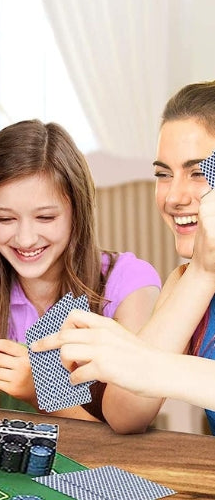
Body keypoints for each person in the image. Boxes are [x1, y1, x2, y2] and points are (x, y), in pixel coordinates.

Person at [0, 119, 161, 432]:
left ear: (78, 212)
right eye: (5, 218)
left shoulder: (127, 283)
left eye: (45, 217)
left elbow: (128, 434)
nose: (26, 238)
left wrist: (41, 392)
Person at [32, 80, 215, 434]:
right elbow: (125, 414)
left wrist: (150, 366)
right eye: (163, 174)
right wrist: (202, 273)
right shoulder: (186, 283)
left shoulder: (129, 275)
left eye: (198, 173)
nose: (174, 196)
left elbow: (145, 372)